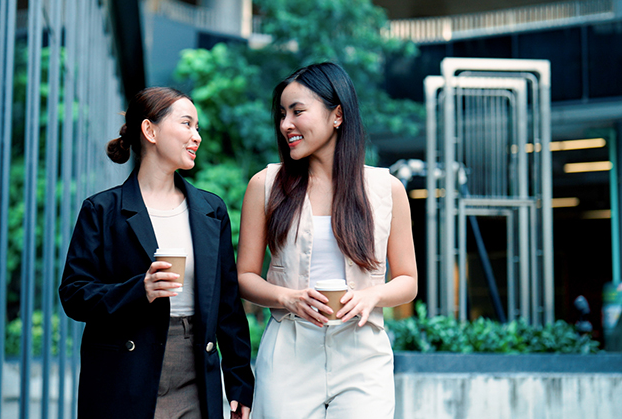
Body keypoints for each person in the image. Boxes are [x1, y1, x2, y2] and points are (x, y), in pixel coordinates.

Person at [60, 87, 254, 419]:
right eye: (187, 124)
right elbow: (74, 295)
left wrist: (239, 383)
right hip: (125, 374)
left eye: (197, 127)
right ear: (150, 130)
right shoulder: (102, 210)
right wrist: (141, 289)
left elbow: (227, 306)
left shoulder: (211, 210)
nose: (197, 136)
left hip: (195, 370)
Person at [236, 63, 417, 419]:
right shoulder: (265, 185)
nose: (285, 124)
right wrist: (287, 297)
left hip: (362, 352)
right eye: (282, 114)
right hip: (289, 351)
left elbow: (408, 281)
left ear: (337, 115)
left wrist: (371, 296)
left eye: (297, 111)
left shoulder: (387, 189)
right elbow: (244, 277)